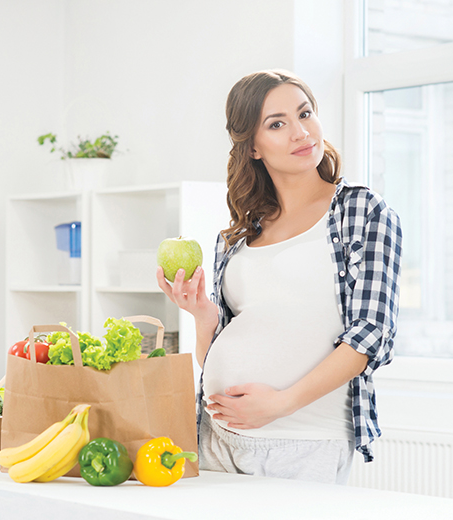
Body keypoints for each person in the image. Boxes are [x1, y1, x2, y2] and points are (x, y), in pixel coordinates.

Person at [157, 69, 402, 485]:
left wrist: (281, 404)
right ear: (252, 146)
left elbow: (372, 334)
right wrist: (202, 315)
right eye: (277, 123)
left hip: (303, 440)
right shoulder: (238, 233)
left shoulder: (360, 212)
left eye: (305, 114)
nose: (301, 132)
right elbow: (216, 353)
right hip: (214, 437)